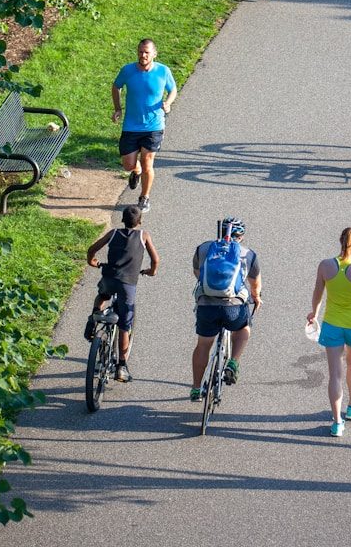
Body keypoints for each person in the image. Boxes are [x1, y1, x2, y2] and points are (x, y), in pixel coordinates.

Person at [307, 227, 351, 437]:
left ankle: (337, 422)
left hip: (332, 323)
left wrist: (314, 314)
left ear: (340, 241)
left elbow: (318, 293)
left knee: (335, 373)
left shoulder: (325, 266)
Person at [85, 204, 160, 383]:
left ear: (122, 219)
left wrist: (92, 261)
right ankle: (121, 366)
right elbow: (155, 260)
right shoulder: (144, 235)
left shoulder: (113, 233)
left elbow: (92, 249)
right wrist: (151, 271)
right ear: (139, 221)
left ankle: (93, 318)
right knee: (125, 326)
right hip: (128, 285)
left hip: (109, 278)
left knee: (102, 295)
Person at [190, 217, 262, 401]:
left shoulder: (204, 248)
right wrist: (256, 297)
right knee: (243, 328)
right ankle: (233, 362)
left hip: (207, 305)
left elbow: (198, 272)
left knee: (203, 345)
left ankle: (196, 389)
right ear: (242, 236)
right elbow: (255, 284)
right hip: (234, 307)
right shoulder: (248, 254)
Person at [112, 38, 176, 213]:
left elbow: (173, 89)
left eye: (147, 52)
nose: (143, 55)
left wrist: (168, 103)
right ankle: (136, 171)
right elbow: (116, 86)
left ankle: (144, 197)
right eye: (140, 51)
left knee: (148, 162)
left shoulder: (163, 71)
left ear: (154, 54)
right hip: (131, 125)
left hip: (154, 125)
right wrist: (118, 108)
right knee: (128, 165)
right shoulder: (127, 70)